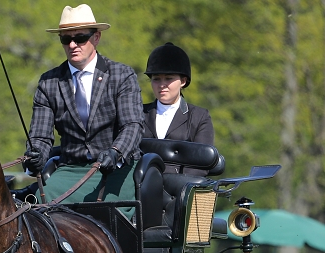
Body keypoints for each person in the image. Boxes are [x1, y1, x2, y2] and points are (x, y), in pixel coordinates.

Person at [23, 4, 144, 212]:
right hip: (70, 169)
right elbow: (40, 138)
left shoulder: (121, 75)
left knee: (109, 219)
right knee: (39, 211)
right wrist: (35, 157)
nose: (72, 44)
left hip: (116, 169)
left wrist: (115, 153)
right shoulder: (49, 83)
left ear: (96, 38)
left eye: (80, 38)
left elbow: (133, 126)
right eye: (65, 39)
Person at [142, 42, 214, 175]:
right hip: (140, 187)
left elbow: (200, 163)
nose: (162, 85)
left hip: (180, 189)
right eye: (156, 79)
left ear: (183, 81)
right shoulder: (138, 113)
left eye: (168, 79)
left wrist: (179, 188)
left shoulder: (199, 117)